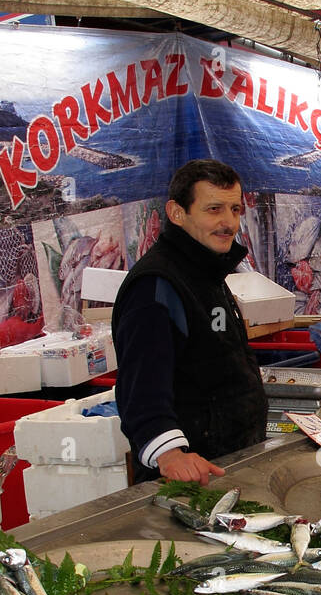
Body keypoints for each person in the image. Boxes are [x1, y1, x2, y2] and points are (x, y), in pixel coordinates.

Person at [112, 159, 267, 485]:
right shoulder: (156, 285)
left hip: (230, 462)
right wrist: (168, 453)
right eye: (214, 209)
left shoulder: (208, 273)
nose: (229, 222)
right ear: (177, 213)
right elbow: (140, 384)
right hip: (188, 478)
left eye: (235, 209)